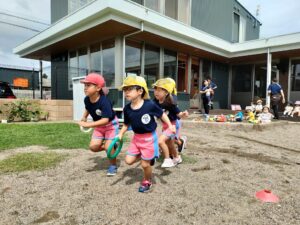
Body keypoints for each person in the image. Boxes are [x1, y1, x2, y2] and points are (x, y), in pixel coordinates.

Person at [118, 75, 175, 193]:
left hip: (149, 138)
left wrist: (170, 126)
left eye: (129, 89)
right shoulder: (127, 108)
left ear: (140, 91)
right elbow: (126, 124)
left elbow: (162, 115)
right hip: (136, 139)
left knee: (144, 165)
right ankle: (148, 156)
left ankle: (147, 180)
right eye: (125, 90)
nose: (126, 92)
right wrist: (120, 134)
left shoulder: (149, 105)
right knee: (128, 161)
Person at [79, 73, 119, 176]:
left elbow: (105, 120)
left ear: (98, 88)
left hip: (110, 125)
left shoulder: (104, 101)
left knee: (108, 147)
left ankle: (113, 165)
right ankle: (111, 147)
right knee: (93, 147)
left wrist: (89, 124)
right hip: (99, 126)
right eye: (85, 85)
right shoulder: (87, 99)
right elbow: (88, 108)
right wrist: (84, 117)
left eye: (88, 85)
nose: (85, 88)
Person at [152, 78, 189, 168]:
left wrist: (183, 114)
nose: (156, 92)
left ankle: (167, 159)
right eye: (155, 89)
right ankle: (177, 158)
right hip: (164, 126)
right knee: (170, 144)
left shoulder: (170, 103)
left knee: (160, 141)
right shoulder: (155, 102)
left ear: (166, 92)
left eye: (160, 90)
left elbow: (179, 114)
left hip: (172, 125)